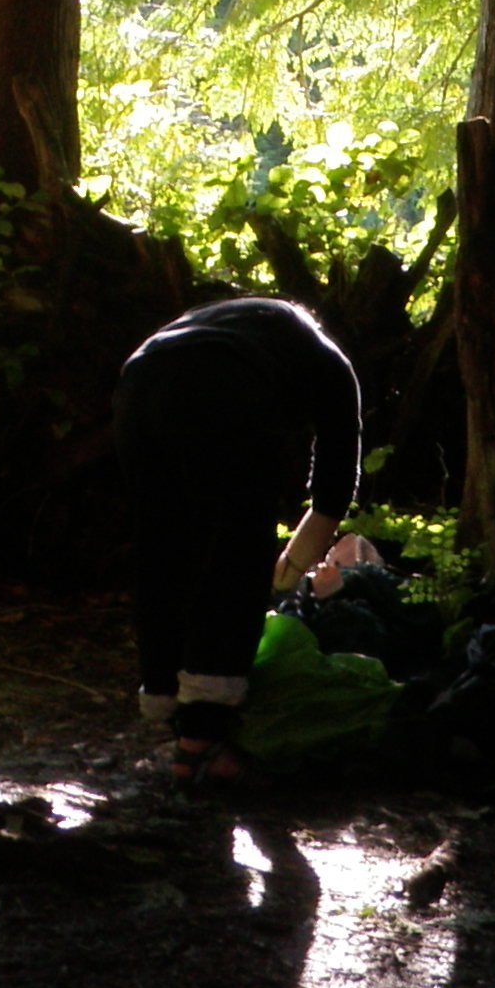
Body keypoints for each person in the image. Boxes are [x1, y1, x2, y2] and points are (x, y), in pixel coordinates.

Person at [115, 295, 362, 785]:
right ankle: (201, 741)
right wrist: (288, 570)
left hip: (140, 377)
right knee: (237, 551)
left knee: (160, 544)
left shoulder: (250, 327)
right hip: (224, 386)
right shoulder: (331, 366)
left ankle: (167, 702)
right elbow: (335, 494)